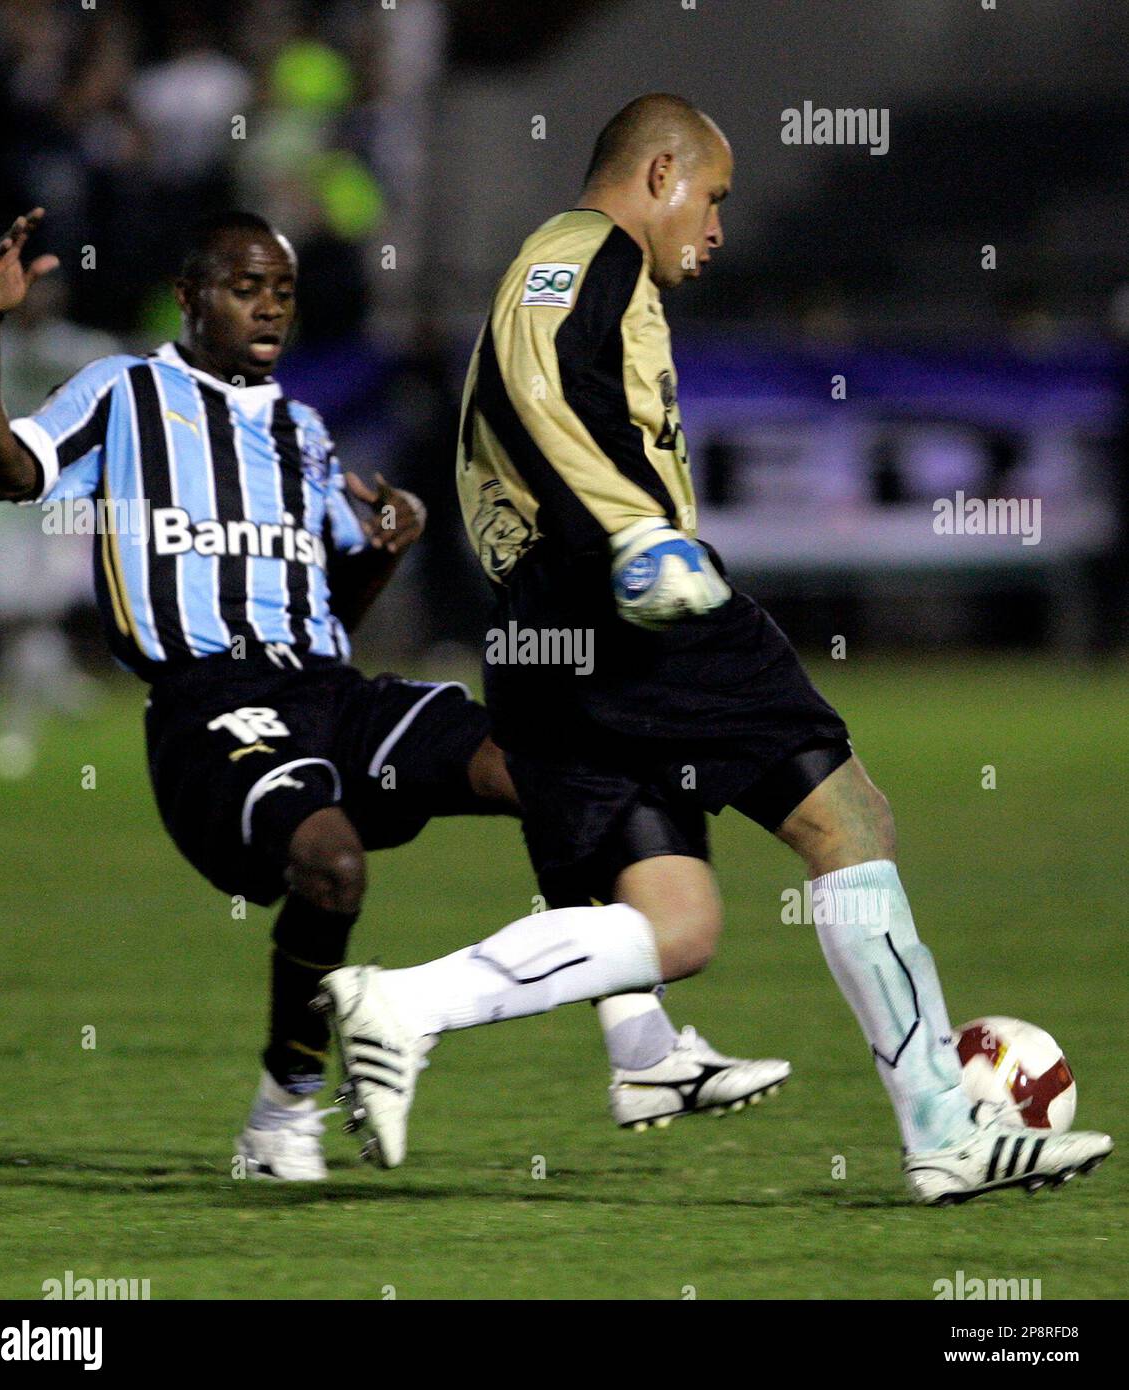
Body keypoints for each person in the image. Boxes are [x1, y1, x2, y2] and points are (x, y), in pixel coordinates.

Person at [319, 95, 1112, 1204]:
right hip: (625, 607)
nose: (719, 227)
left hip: (545, 633)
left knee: (671, 925)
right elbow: (529, 380)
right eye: (714, 197)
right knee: (846, 818)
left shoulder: (600, 275)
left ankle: (407, 1005)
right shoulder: (578, 249)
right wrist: (637, 532)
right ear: (656, 173)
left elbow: (505, 422)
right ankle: (944, 1127)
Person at [0, 204, 782, 1181]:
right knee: (333, 868)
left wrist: (384, 550)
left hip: (326, 689)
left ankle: (640, 1047)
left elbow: (328, 609)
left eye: (281, 293)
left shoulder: (302, 429)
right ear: (187, 297)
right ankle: (282, 1113)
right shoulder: (124, 393)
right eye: (243, 288)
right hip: (207, 707)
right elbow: (0, 473)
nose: (267, 310)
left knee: (549, 761)